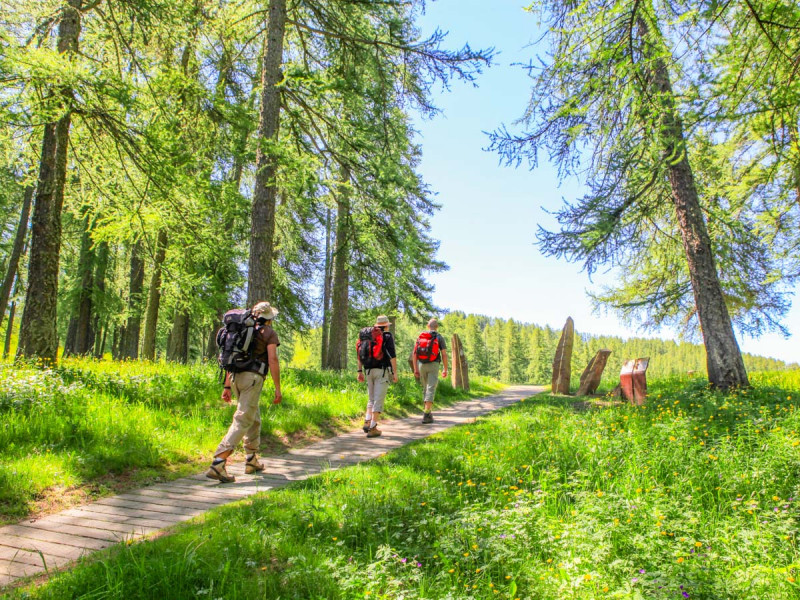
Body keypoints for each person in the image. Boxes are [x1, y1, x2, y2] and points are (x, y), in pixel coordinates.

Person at [206, 301, 282, 483]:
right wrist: (278, 388)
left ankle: (251, 459)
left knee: (253, 417)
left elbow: (232, 357)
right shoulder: (268, 333)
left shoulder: (241, 330)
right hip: (252, 379)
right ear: (269, 318)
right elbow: (273, 359)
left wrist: (227, 386)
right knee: (243, 418)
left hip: (235, 377)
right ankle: (218, 462)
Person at [357, 315, 398, 438]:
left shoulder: (367, 335)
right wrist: (395, 372)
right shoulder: (387, 336)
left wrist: (359, 371)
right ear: (386, 326)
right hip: (382, 371)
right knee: (378, 399)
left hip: (368, 370)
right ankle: (373, 428)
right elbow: (392, 355)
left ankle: (367, 422)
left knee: (371, 398)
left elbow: (359, 354)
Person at [412, 318, 449, 424]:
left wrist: (415, 369)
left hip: (421, 365)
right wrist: (445, 369)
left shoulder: (421, 336)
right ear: (437, 327)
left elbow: (414, 353)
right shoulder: (439, 337)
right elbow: (444, 354)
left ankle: (427, 412)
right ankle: (427, 413)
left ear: (428, 326)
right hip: (433, 364)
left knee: (425, 388)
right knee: (431, 388)